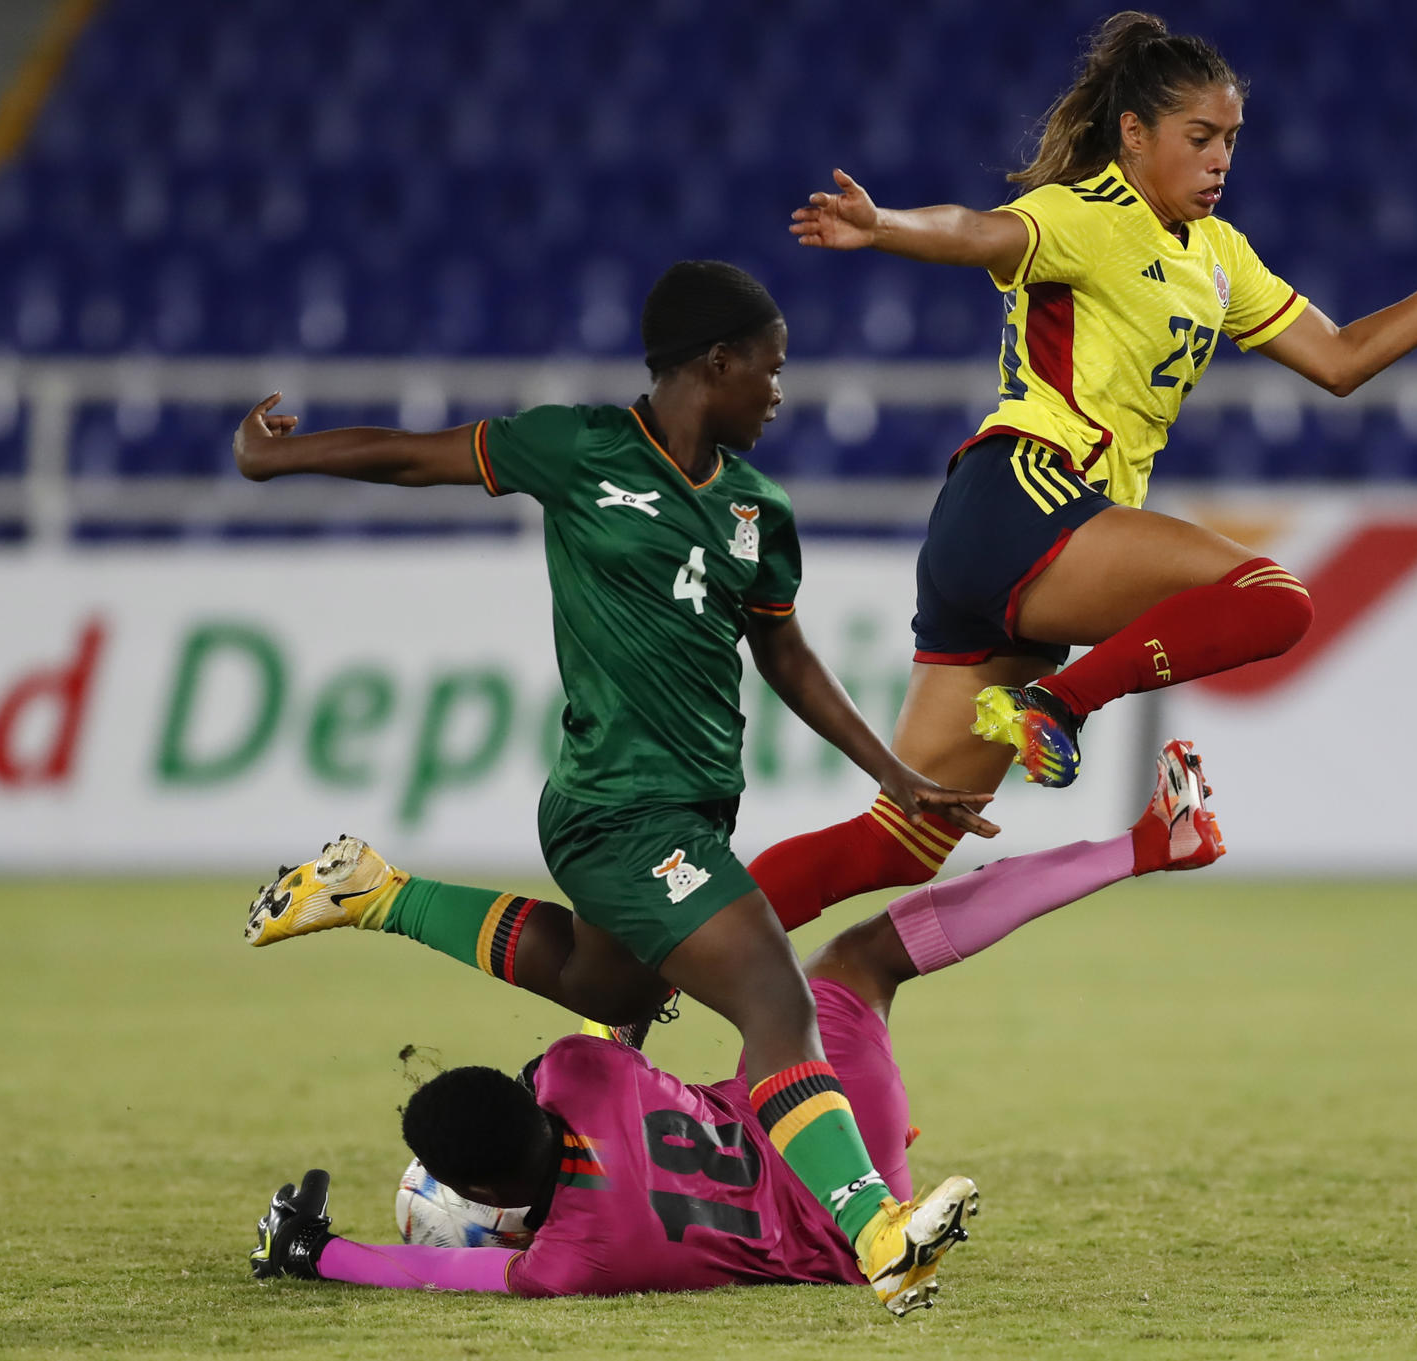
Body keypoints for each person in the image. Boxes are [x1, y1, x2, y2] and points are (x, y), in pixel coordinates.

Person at [232, 259, 1001, 1313]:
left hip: (686, 810)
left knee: (613, 991)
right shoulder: (581, 446)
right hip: (614, 810)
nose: (782, 390)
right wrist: (277, 458)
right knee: (774, 995)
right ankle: (875, 1229)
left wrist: (892, 770)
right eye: (771, 370)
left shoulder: (759, 511)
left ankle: (373, 889)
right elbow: (420, 458)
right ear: (715, 364)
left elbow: (785, 658)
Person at [753, 9, 1417, 927]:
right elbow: (979, 230)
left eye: (1231, 140)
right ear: (1135, 133)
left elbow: (1342, 360)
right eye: (1200, 138)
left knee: (900, 842)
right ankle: (1060, 705)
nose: (1220, 160)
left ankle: (637, 977)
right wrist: (886, 227)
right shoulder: (1089, 213)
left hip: (1010, 537)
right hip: (1027, 493)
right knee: (1274, 597)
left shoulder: (1220, 255)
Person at [247, 741, 1226, 1312]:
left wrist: (313, 1251)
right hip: (811, 1117)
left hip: (831, 1223)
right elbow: (593, 1034)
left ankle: (386, 896)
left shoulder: (568, 1260)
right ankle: (1144, 843)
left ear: (494, 1196)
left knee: (728, 959)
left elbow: (428, 1266)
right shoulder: (579, 1071)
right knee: (853, 957)